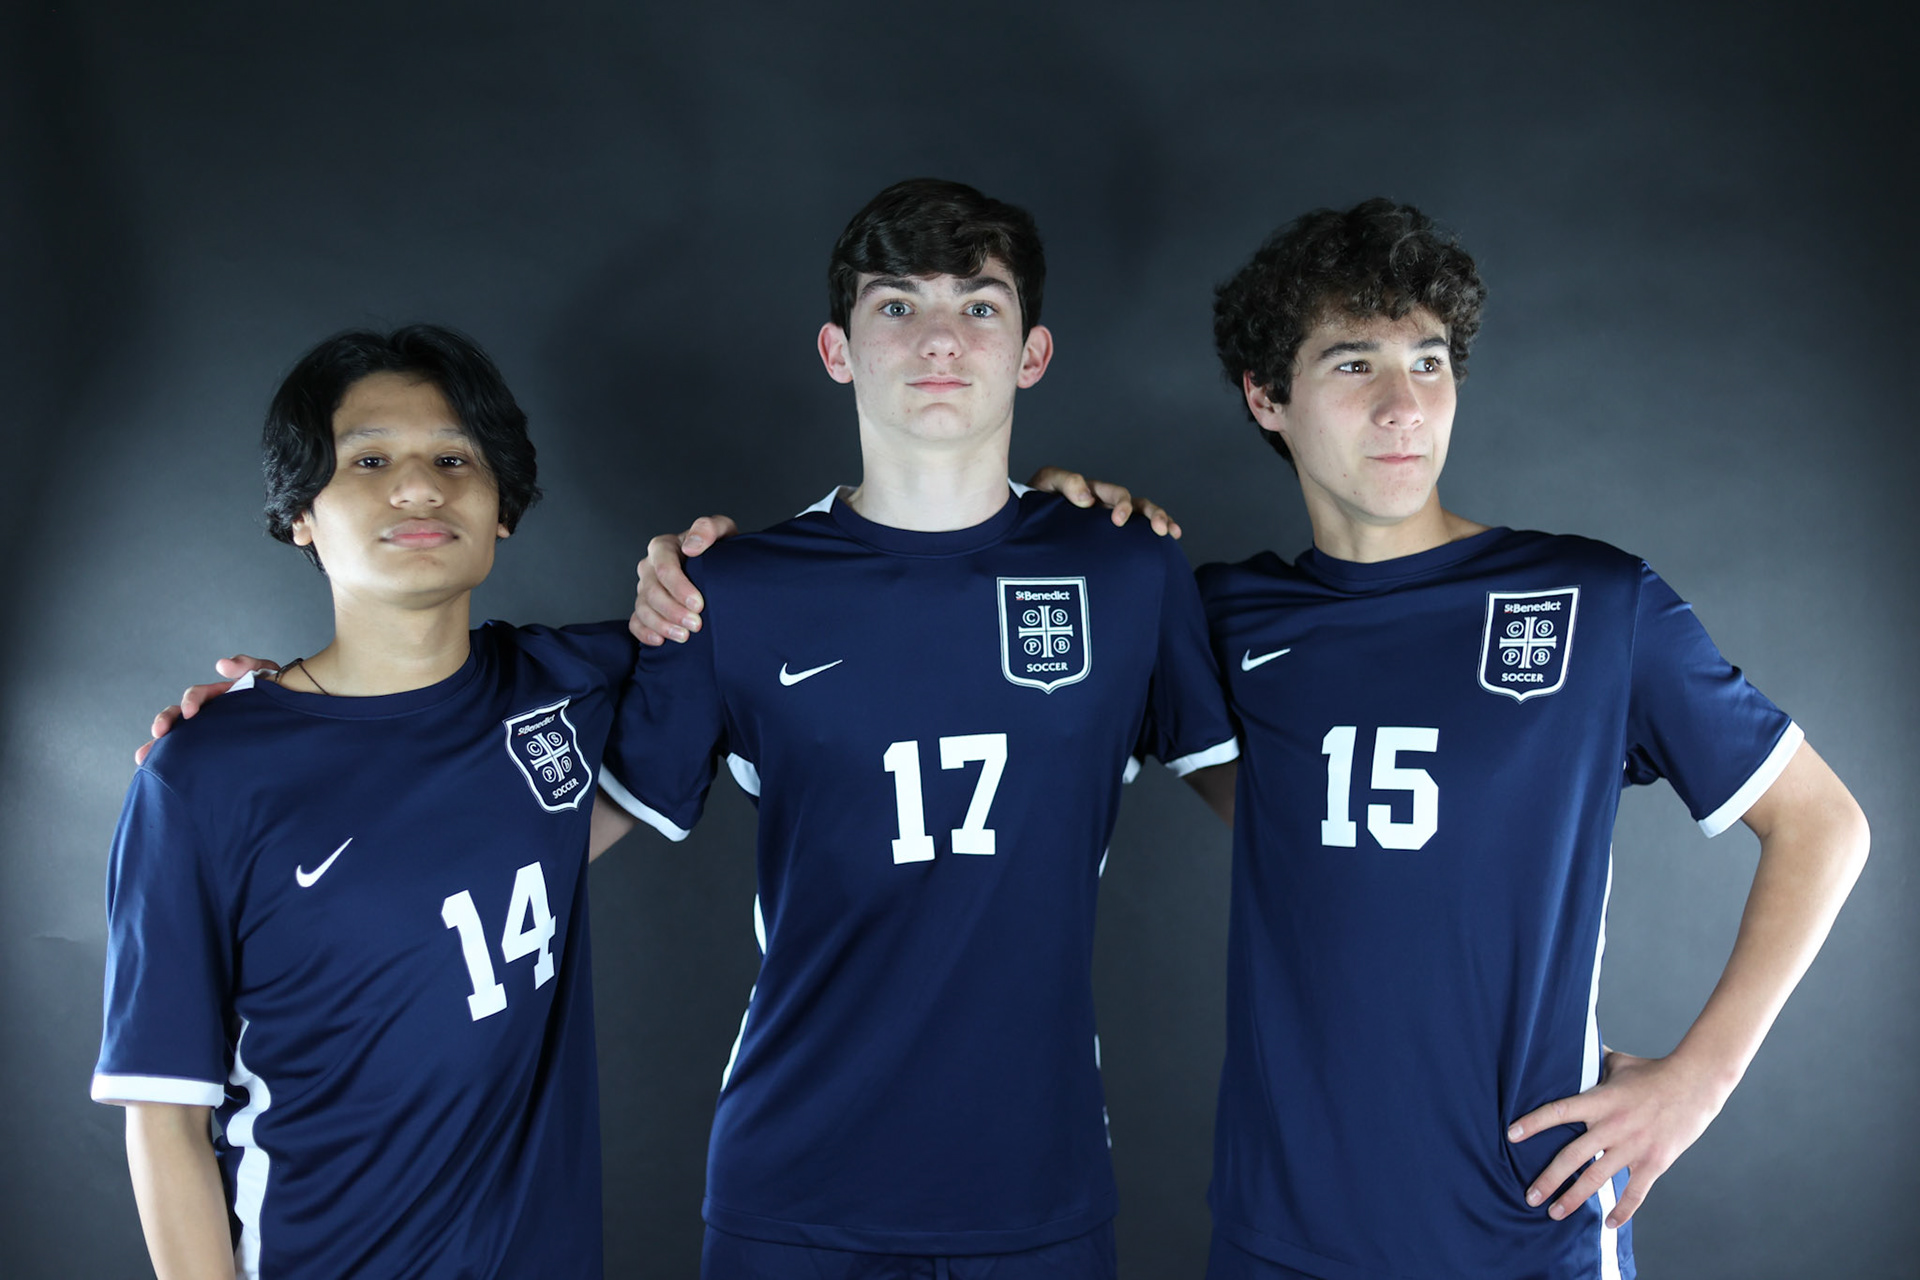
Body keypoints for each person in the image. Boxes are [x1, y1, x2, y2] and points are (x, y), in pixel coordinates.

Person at [1194, 199, 1869, 1279]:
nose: (1404, 403)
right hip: (1284, 1231)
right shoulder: (1219, 621)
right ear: (1267, 397)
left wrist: (1700, 1079)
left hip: (1523, 1226)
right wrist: (1065, 510)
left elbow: (1825, 824)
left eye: (1428, 359)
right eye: (1354, 364)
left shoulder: (1595, 602)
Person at [604, 177, 1239, 1279]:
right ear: (837, 349)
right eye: (897, 305)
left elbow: (1305, 826)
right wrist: (317, 703)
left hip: (1034, 1189)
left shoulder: (1125, 568)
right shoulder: (730, 587)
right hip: (792, 1190)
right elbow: (560, 830)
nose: (940, 337)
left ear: (1031, 353)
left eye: (979, 305)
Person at [95, 326, 645, 1279]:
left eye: (452, 457)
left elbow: (737, 639)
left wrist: (696, 558)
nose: (420, 487)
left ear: (502, 505)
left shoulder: (566, 688)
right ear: (301, 513)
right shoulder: (203, 775)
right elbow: (165, 1117)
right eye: (370, 459)